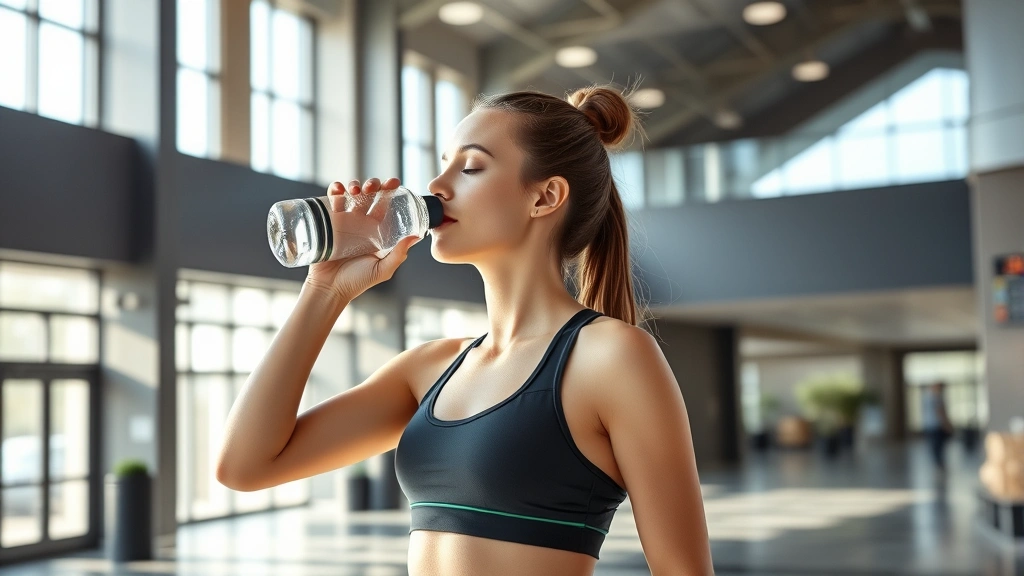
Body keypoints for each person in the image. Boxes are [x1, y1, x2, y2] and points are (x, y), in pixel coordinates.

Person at [216, 86, 713, 576]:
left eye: (470, 167)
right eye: (442, 164)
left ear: (545, 196)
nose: (437, 184)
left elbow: (683, 569)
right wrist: (325, 292)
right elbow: (245, 466)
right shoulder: (428, 368)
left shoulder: (611, 356)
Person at [921, 381, 954, 472]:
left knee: (935, 446)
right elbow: (940, 412)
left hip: (930, 425)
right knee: (938, 447)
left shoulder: (926, 396)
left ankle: (938, 463)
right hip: (937, 426)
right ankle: (939, 464)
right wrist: (947, 425)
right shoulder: (936, 397)